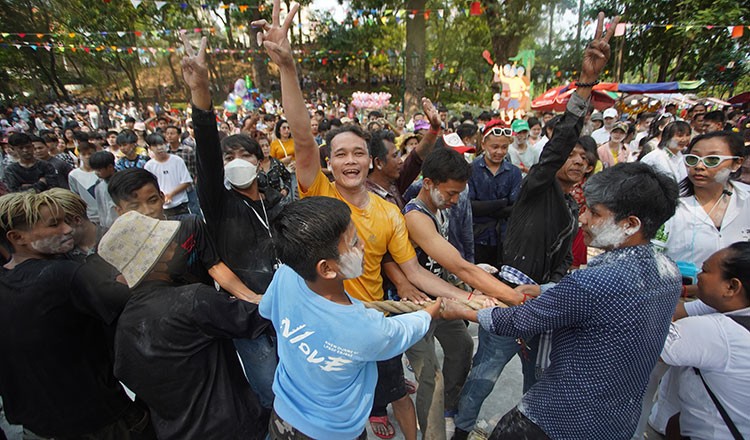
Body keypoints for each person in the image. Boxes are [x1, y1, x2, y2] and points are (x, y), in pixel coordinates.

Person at [253, 6, 483, 440]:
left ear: (371, 160)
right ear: (328, 163)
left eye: (358, 152)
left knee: (389, 390)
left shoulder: (388, 211)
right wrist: (287, 67)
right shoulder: (316, 192)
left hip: (375, 319)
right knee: (340, 395)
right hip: (349, 331)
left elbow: (410, 269)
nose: (350, 160)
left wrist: (467, 295)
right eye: (339, 153)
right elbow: (303, 137)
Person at [453, 15, 616, 439]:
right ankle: (461, 430)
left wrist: (557, 290)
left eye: (586, 159)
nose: (579, 162)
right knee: (484, 376)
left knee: (539, 381)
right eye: (573, 155)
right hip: (508, 299)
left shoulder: (571, 205)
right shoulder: (536, 187)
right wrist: (584, 84)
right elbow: (561, 140)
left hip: (544, 305)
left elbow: (562, 259)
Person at [446, 160, 681, 440]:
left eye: (594, 213)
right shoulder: (669, 272)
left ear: (630, 225)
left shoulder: (592, 283)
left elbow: (521, 319)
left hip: (561, 416)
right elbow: (608, 303)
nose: (582, 219)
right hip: (617, 422)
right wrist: (545, 290)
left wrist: (461, 311)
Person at [260, 196, 443, 440]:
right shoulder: (364, 328)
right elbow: (405, 329)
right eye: (355, 243)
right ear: (326, 269)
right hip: (334, 432)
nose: (364, 246)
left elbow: (266, 310)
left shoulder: (284, 275)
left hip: (282, 417)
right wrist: (432, 310)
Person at [99, 211, 269, 440]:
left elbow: (126, 372)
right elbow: (257, 318)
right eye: (169, 244)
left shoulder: (125, 324)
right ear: (160, 258)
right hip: (233, 427)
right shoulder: (194, 300)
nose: (176, 247)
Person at [182, 34, 284, 409]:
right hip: (245, 312)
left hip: (285, 306)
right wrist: (201, 92)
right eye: (230, 156)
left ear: (260, 161)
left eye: (245, 154)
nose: (237, 161)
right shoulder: (218, 202)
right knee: (269, 388)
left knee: (293, 380)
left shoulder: (276, 202)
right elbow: (207, 150)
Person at [0, 191, 153, 439]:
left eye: (67, 221)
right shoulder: (66, 275)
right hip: (99, 419)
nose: (67, 229)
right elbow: (136, 305)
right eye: (54, 225)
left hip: (37, 425)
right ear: (17, 237)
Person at [660, 242, 750, 440]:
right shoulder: (732, 310)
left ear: (731, 286)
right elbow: (684, 310)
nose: (698, 275)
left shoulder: (719, 332)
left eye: (705, 270)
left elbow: (645, 341)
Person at [468, 121, 522, 267]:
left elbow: (516, 207)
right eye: (494, 147)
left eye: (504, 147)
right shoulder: (471, 170)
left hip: (505, 238)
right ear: (484, 145)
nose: (499, 152)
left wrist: (485, 208)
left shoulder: (514, 172)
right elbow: (471, 207)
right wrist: (502, 203)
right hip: (477, 237)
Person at [144, 133, 193, 220]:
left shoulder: (177, 161)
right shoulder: (149, 166)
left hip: (180, 204)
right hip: (162, 206)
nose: (159, 148)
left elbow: (186, 182)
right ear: (150, 148)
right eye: (155, 145)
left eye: (161, 144)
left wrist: (171, 194)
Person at [67, 141, 100, 224]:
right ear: (79, 156)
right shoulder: (74, 175)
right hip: (90, 217)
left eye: (90, 153)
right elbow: (75, 197)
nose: (87, 157)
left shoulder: (101, 171)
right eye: (84, 154)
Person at [89, 150, 119, 230]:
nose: (96, 173)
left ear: (110, 167)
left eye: (99, 170)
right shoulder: (99, 184)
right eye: (95, 170)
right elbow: (100, 207)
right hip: (106, 226)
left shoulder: (121, 182)